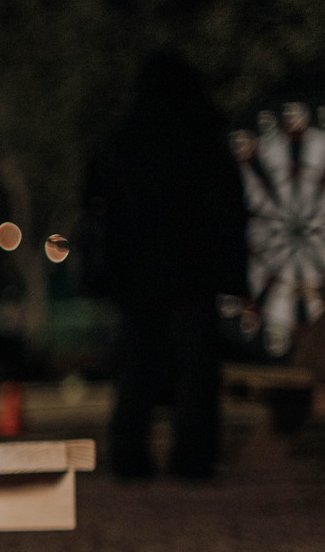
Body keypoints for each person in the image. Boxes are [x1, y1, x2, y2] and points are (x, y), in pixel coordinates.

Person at [84, 52, 248, 480]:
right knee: (196, 372)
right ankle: (193, 457)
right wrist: (230, 270)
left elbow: (105, 208)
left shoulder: (128, 139)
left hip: (139, 274)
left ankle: (130, 456)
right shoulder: (202, 136)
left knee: (137, 368)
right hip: (192, 272)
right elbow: (227, 207)